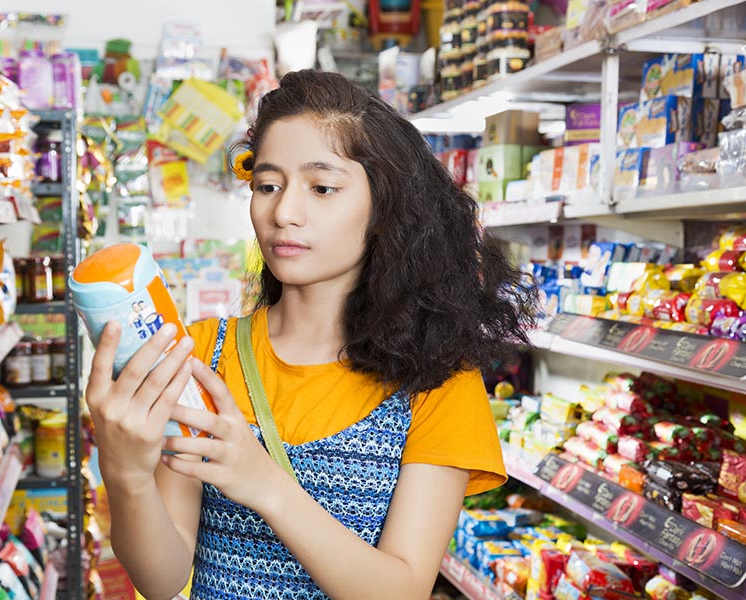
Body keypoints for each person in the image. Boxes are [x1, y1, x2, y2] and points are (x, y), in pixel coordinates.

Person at [85, 69, 535, 600]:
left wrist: (267, 486)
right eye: (268, 186)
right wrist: (125, 473)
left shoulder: (437, 378)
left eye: (322, 188)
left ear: (385, 208)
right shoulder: (204, 352)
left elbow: (403, 589)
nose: (284, 213)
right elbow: (162, 580)